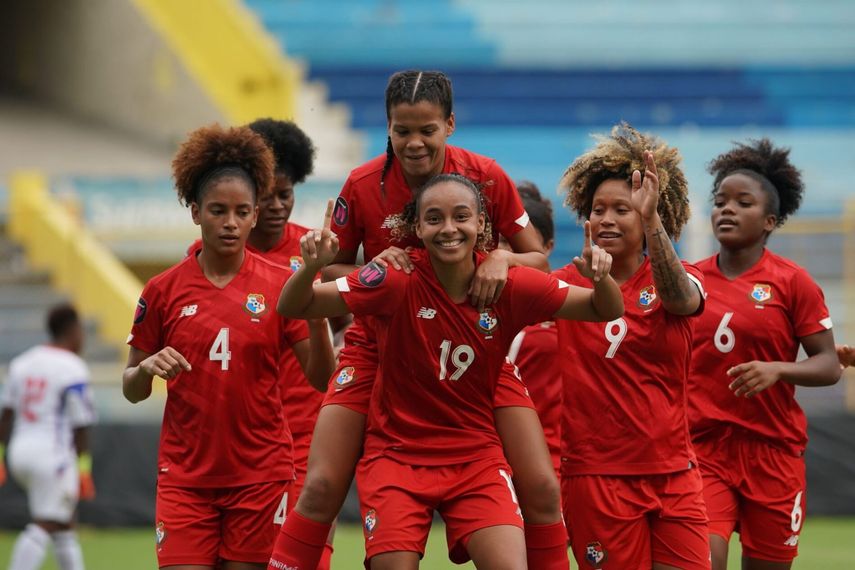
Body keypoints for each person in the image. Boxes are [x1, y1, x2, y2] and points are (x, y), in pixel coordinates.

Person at [269, 70, 569, 570]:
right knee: (320, 485)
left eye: (426, 129)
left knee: (540, 486)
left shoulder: (487, 177)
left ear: (449, 124)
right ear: (387, 128)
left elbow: (538, 259)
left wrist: (502, 260)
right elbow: (335, 268)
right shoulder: (363, 185)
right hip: (379, 344)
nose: (414, 143)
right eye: (401, 130)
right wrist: (372, 266)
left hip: (476, 344)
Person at [274, 174, 623, 569]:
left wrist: (602, 278)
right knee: (326, 493)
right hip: (397, 458)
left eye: (461, 217)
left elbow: (604, 308)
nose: (449, 229)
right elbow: (295, 306)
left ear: (482, 226)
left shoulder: (511, 285)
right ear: (417, 228)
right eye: (435, 219)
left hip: (475, 458)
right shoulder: (393, 279)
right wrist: (311, 269)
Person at [121, 124, 334, 570]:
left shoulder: (281, 285)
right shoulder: (162, 290)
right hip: (184, 478)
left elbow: (320, 378)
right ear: (195, 211)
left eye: (242, 211)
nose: (231, 222)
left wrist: (314, 302)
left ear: (254, 215)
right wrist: (145, 371)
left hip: (261, 473)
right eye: (218, 210)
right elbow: (131, 387)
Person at [555, 123, 710, 569]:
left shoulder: (680, 279)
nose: (605, 218)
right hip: (597, 480)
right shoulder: (566, 284)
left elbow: (681, 301)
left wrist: (654, 219)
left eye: (621, 209)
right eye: (597, 209)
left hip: (675, 476)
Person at [687, 139, 841, 569]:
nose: (727, 210)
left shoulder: (794, 283)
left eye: (743, 202)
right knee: (702, 560)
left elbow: (828, 364)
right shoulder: (688, 281)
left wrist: (779, 370)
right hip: (704, 449)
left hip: (773, 454)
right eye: (720, 202)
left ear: (770, 220)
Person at [0, 303, 96, 570]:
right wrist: (84, 469)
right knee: (47, 521)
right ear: (73, 330)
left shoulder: (23, 362)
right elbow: (81, 424)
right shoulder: (72, 367)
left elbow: (6, 414)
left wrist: (0, 456)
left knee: (64, 524)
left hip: (19, 451)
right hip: (52, 456)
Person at [503, 182, 561, 475]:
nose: (508, 254)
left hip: (565, 464)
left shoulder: (570, 303)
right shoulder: (469, 305)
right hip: (502, 465)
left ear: (547, 248)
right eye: (501, 243)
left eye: (522, 245)